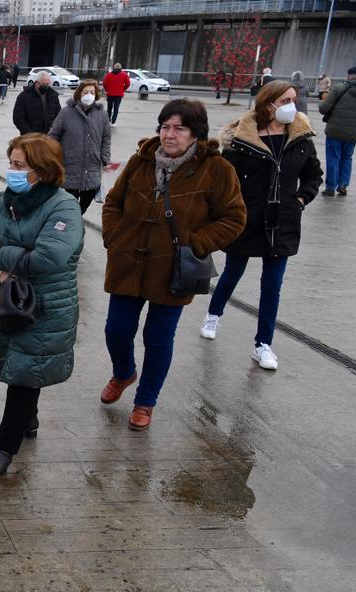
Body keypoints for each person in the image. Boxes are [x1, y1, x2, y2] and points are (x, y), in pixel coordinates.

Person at [100, 99, 245, 431]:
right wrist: (114, 236)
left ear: (196, 134)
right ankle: (124, 373)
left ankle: (145, 402)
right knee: (117, 330)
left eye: (179, 128)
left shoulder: (217, 169)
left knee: (158, 337)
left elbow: (234, 219)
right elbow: (114, 203)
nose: (170, 134)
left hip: (174, 269)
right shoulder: (141, 161)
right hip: (128, 260)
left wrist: (196, 244)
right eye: (165, 126)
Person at [0, 134, 84, 476]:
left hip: (44, 306)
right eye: (11, 163)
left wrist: (0, 253)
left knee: (24, 375)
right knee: (17, 367)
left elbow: (51, 257)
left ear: (43, 171)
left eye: (20, 166)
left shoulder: (63, 206)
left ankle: (4, 450)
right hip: (6, 298)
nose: (12, 171)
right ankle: (28, 419)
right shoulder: (6, 200)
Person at [203, 81, 322, 370]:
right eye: (285, 100)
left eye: (293, 99)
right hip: (248, 220)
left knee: (272, 286)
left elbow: (313, 174)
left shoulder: (300, 138)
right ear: (268, 103)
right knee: (233, 272)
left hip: (283, 223)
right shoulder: (242, 140)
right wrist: (230, 211)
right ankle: (213, 314)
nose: (292, 106)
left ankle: (263, 344)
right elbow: (224, 181)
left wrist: (302, 199)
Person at [48, 80, 112, 213]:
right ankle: (70, 225)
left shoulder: (102, 115)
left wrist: (105, 158)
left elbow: (106, 138)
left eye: (92, 92)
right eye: (85, 92)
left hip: (92, 168)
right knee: (68, 207)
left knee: (83, 207)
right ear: (79, 93)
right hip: (70, 166)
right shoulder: (66, 113)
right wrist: (53, 157)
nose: (89, 95)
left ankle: (75, 222)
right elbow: (53, 135)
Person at [318, 66, 356, 197]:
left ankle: (330, 187)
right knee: (347, 158)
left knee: (333, 158)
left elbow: (323, 109)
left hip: (335, 131)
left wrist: (322, 103)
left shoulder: (339, 88)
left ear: (348, 76)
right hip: (354, 134)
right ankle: (343, 184)